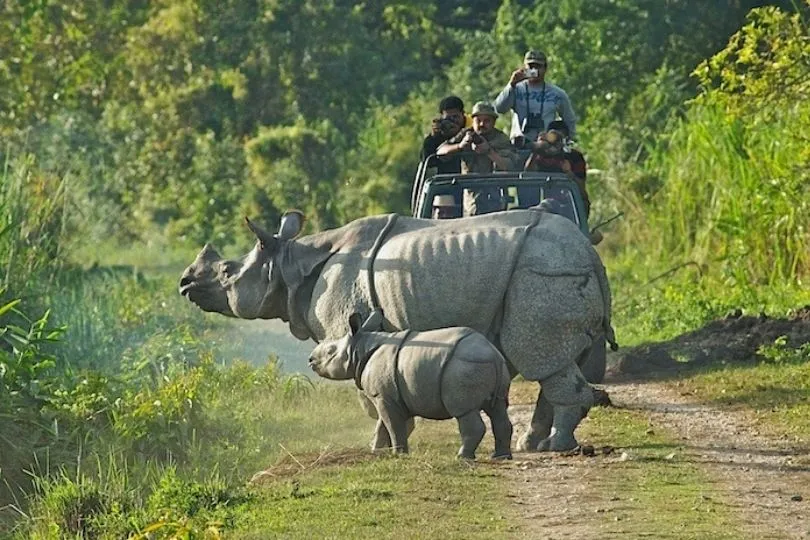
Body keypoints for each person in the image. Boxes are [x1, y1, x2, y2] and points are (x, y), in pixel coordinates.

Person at [437, 101, 517, 215]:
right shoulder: (466, 134)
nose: (481, 124)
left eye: (487, 121)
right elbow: (440, 152)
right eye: (478, 120)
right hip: (471, 199)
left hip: (495, 198)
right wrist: (460, 146)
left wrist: (489, 151)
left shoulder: (501, 139)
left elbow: (509, 167)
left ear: (494, 122)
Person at [494, 50, 577, 148]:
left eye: (538, 66)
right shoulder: (516, 89)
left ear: (545, 68)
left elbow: (569, 120)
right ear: (524, 67)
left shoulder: (557, 94)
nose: (534, 70)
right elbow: (499, 108)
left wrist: (564, 143)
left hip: (546, 147)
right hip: (519, 145)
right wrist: (511, 84)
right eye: (530, 66)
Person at [524, 120, 590, 216]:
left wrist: (569, 173)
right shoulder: (542, 156)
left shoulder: (574, 156)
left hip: (573, 204)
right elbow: (527, 175)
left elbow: (581, 190)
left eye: (559, 139)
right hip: (549, 206)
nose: (555, 142)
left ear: (566, 139)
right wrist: (537, 149)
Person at [420, 96, 469, 174]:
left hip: (470, 179)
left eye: (455, 117)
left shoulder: (472, 127)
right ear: (442, 117)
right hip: (446, 181)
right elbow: (428, 162)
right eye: (448, 118)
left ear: (463, 114)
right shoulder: (440, 134)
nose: (453, 121)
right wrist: (433, 137)